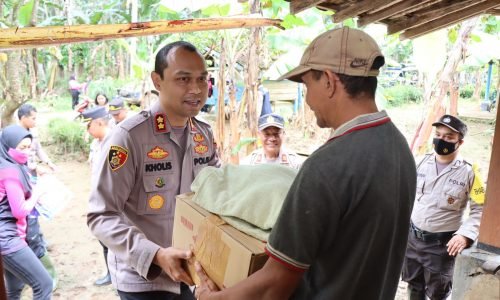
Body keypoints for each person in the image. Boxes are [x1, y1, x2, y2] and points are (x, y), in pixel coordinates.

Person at [194, 27, 417, 299]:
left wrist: (212, 298)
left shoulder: (328, 164)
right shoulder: (399, 148)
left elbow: (274, 285)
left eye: (307, 85)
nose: (308, 99)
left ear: (329, 81)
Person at [87, 40, 220, 299]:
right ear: (157, 81)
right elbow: (101, 215)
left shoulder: (204, 134)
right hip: (145, 280)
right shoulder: (128, 137)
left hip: (193, 273)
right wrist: (156, 255)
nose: (196, 89)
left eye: (202, 79)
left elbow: (219, 193)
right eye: (183, 79)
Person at [402, 114, 484, 300]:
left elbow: (481, 209)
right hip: (412, 240)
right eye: (438, 134)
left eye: (448, 137)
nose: (441, 140)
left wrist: (465, 234)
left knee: (439, 292)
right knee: (414, 287)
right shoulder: (420, 162)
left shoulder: (470, 172)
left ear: (460, 142)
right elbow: (405, 195)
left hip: (441, 247)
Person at [0, 125, 53, 299]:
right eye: (22, 147)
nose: (26, 151)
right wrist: (37, 192)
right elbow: (20, 211)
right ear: (8, 146)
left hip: (7, 238)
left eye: (29, 147)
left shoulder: (8, 165)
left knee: (14, 288)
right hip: (8, 239)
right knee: (44, 285)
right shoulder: (10, 172)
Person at [17, 103, 58, 289]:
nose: (35, 121)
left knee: (34, 218)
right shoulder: (12, 136)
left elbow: (38, 150)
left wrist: (47, 162)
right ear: (22, 117)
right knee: (28, 225)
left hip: (32, 179)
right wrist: (33, 167)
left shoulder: (33, 133)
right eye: (32, 118)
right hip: (21, 182)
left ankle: (47, 271)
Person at [81, 106, 113, 286]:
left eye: (88, 126)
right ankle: (110, 274)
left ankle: (118, 278)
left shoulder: (116, 143)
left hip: (112, 203)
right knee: (104, 240)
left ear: (99, 122)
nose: (87, 130)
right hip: (99, 201)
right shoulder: (96, 143)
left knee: (116, 241)